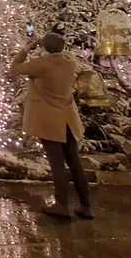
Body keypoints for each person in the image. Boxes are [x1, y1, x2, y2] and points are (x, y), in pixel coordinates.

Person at [10, 32, 91, 219]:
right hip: (68, 119)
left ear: (45, 47)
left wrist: (28, 48)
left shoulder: (42, 65)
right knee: (75, 162)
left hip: (48, 119)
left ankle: (62, 205)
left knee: (57, 164)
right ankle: (85, 205)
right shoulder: (70, 62)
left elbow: (14, 68)